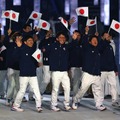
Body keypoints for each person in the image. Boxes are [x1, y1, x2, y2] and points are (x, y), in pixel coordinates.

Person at [72, 35, 106, 111]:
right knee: (82, 89)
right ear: (90, 42)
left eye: (96, 40)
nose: (95, 41)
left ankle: (99, 104)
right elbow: (84, 43)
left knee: (97, 90)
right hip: (88, 74)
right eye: (93, 40)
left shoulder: (98, 50)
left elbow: (103, 45)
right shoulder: (86, 49)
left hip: (97, 74)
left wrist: (103, 39)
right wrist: (86, 33)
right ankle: (75, 101)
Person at [42, 31, 74, 111]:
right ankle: (53, 105)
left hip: (64, 71)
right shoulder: (52, 46)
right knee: (55, 89)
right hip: (55, 71)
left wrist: (74, 40)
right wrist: (46, 38)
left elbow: (74, 46)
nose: (62, 39)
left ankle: (66, 104)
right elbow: (43, 48)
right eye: (60, 37)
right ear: (57, 38)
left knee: (67, 88)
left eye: (63, 37)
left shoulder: (66, 47)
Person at [11, 36, 42, 112]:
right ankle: (15, 106)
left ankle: (39, 106)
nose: (31, 42)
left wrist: (38, 64)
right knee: (22, 91)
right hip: (24, 74)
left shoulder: (33, 50)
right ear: (25, 42)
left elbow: (35, 62)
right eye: (29, 40)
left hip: (33, 74)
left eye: (32, 40)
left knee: (36, 90)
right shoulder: (21, 49)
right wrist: (18, 47)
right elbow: (14, 57)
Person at [100, 32, 120, 107]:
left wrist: (115, 69)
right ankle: (100, 101)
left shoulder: (110, 46)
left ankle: (114, 100)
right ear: (102, 37)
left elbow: (113, 58)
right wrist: (105, 41)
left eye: (108, 36)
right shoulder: (100, 45)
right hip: (102, 70)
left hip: (111, 70)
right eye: (106, 36)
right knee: (101, 86)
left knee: (113, 85)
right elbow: (100, 49)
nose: (108, 37)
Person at [69, 30, 83, 98]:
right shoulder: (71, 44)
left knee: (83, 84)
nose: (77, 37)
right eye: (75, 35)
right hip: (74, 67)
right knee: (75, 84)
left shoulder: (82, 44)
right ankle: (75, 98)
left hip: (83, 67)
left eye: (78, 35)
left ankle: (78, 97)